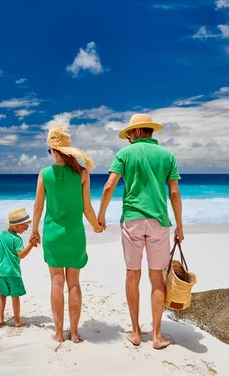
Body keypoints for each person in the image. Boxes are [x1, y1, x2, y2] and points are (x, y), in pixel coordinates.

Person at [97, 114, 183, 349]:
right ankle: (156, 336)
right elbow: (174, 193)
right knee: (157, 278)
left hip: (133, 220)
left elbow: (109, 186)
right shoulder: (168, 155)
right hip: (159, 222)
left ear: (137, 132)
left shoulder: (125, 154)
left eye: (129, 135)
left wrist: (101, 215)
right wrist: (179, 226)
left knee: (132, 275)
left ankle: (135, 333)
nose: (128, 139)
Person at [30, 126, 103, 343]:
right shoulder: (82, 173)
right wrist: (97, 226)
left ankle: (58, 333)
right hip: (75, 235)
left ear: (53, 150)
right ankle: (73, 333)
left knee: (56, 282)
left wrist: (34, 232)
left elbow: (37, 207)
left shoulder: (44, 174)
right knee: (74, 284)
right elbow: (87, 208)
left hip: (53, 235)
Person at [0, 207, 36, 327]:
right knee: (15, 296)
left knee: (2, 294)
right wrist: (31, 244)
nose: (27, 228)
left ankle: (0, 318)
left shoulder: (1, 235)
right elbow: (22, 255)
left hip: (0, 271)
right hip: (12, 272)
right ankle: (17, 321)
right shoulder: (17, 239)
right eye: (25, 225)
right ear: (16, 225)